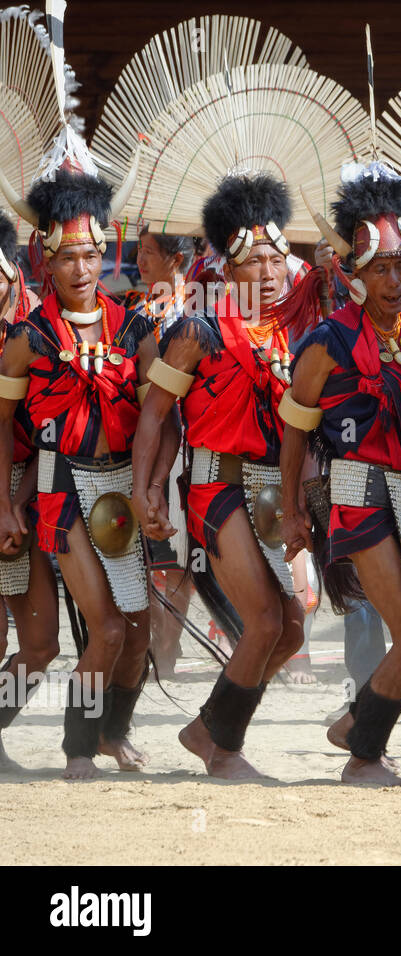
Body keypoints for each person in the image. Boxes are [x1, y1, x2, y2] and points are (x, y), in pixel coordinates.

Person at [282, 163, 401, 785]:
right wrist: (294, 510)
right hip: (356, 493)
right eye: (380, 268)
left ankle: (357, 722)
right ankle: (364, 757)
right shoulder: (327, 342)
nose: (394, 280)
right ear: (353, 275)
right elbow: (296, 430)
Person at [132, 174, 306, 779]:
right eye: (254, 260)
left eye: (277, 257)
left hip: (264, 492)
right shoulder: (199, 329)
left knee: (290, 632)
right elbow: (156, 413)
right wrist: (144, 487)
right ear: (229, 271)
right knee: (263, 621)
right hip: (215, 488)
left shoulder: (282, 332)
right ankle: (220, 749)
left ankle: (208, 728)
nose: (269, 269)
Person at [0, 158, 161, 781]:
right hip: (58, 490)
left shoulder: (134, 328)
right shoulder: (28, 338)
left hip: (121, 488)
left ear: (105, 254)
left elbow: (161, 417)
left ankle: (112, 735)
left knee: (138, 634)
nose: (82, 269)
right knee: (107, 630)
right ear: (46, 259)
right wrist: (5, 501)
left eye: (92, 255)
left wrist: (150, 485)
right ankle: (75, 746)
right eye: (68, 258)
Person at [0, 210, 59, 769]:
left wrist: (16, 500)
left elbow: (54, 424)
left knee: (42, 647)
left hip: (24, 493)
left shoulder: (36, 336)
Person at [126, 224, 196, 679]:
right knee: (153, 553)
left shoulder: (203, 307)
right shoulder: (133, 314)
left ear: (176, 259)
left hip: (197, 439)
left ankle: (169, 646)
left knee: (187, 554)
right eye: (139, 252)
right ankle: (154, 646)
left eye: (149, 253)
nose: (140, 262)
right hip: (150, 437)